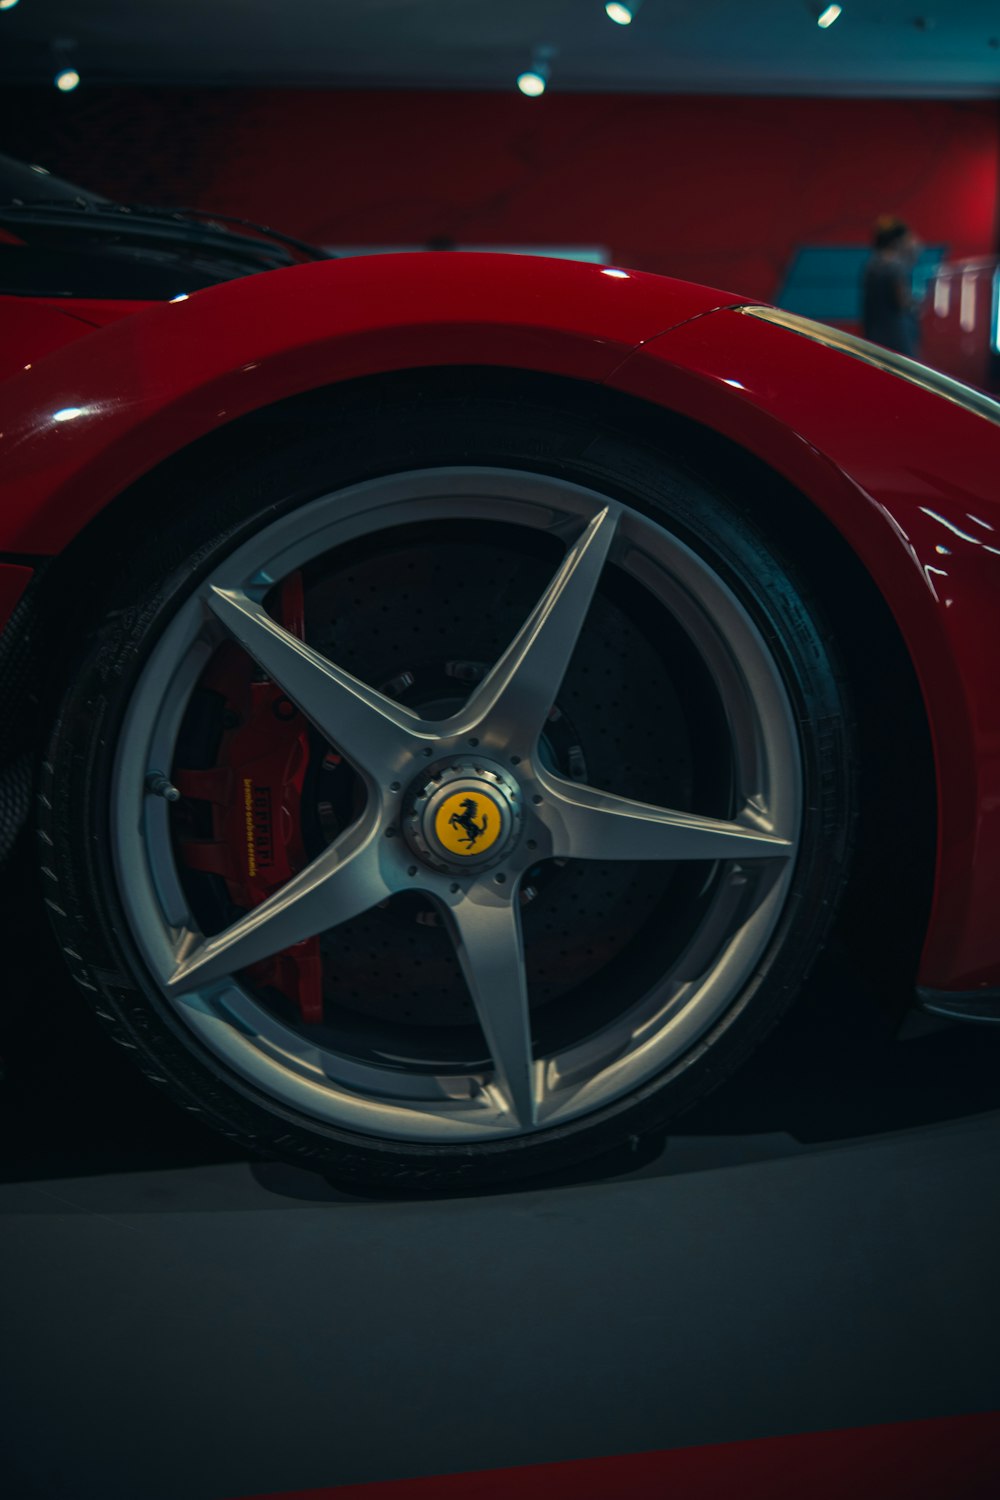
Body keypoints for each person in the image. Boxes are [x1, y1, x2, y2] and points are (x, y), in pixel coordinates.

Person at [861, 215, 922, 357]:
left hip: (875, 336)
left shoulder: (872, 264)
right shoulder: (894, 266)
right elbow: (901, 302)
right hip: (896, 338)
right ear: (897, 241)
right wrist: (917, 303)